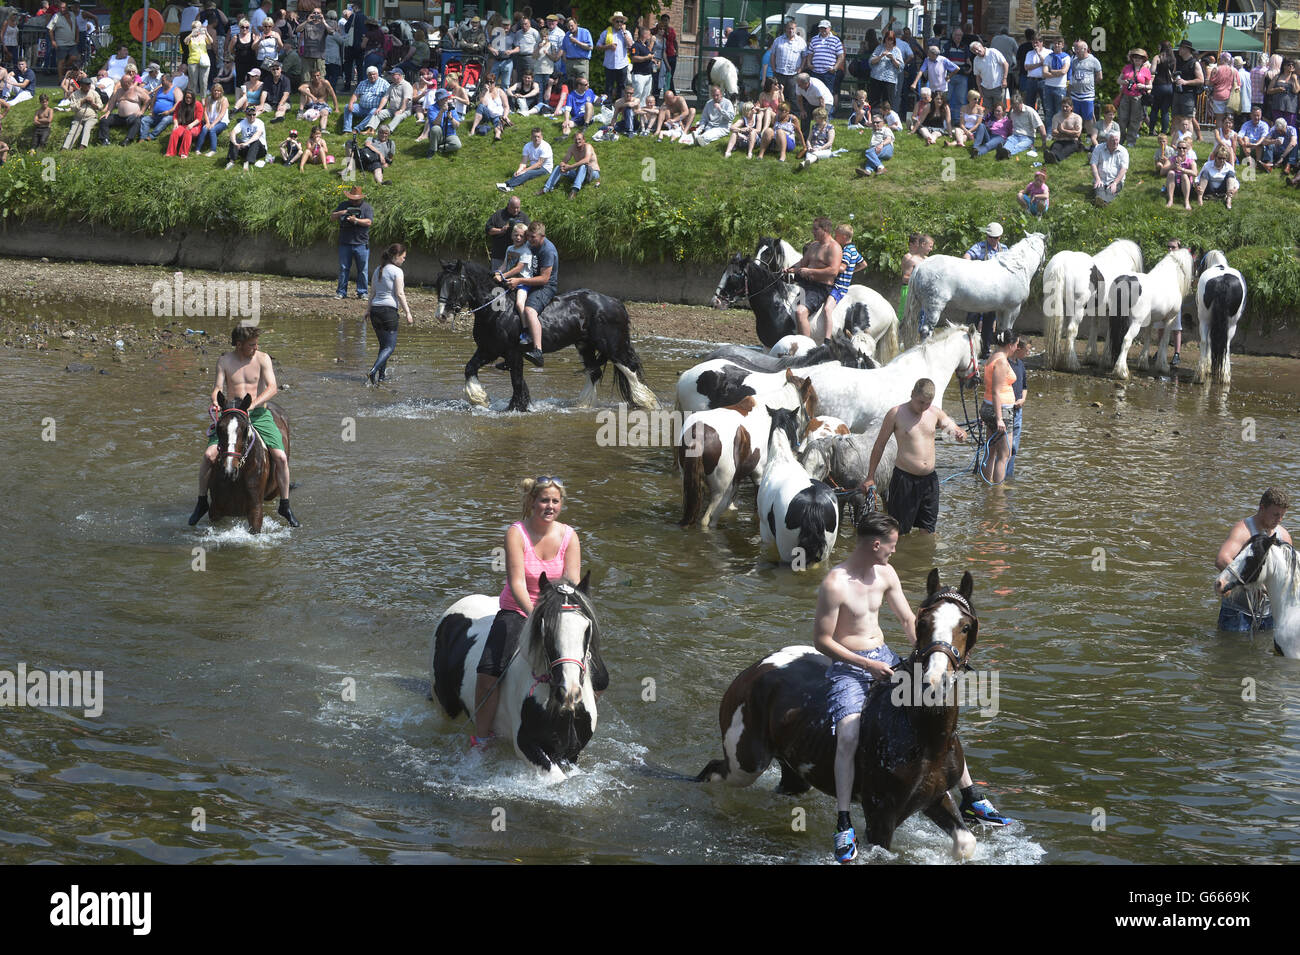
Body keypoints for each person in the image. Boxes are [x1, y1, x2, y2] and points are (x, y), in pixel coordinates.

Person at [814, 510, 1009, 863]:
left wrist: (926, 654)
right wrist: (867, 665)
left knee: (939, 713)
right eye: (891, 545)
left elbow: (908, 619)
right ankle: (844, 821)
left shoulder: (885, 573)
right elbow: (822, 641)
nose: (893, 552)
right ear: (875, 544)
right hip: (850, 666)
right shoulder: (835, 583)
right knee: (847, 731)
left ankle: (971, 796)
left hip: (887, 658)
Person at [471, 476, 582, 748]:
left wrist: (561, 616)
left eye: (555, 501)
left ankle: (578, 728)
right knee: (488, 675)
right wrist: (536, 616)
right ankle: (480, 739)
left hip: (558, 613)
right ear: (532, 502)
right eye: (544, 500)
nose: (550, 506)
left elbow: (573, 583)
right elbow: (517, 582)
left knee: (599, 676)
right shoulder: (516, 532)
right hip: (519, 611)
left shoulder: (569, 535)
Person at [188, 323, 298, 528]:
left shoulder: (263, 359)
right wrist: (214, 400)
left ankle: (285, 504)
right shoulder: (224, 361)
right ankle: (202, 501)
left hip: (258, 414)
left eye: (256, 344)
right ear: (239, 344)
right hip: (231, 414)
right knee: (209, 456)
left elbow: (273, 388)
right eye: (251, 345)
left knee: (281, 457)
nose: (255, 348)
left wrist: (253, 405)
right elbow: (217, 388)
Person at [863, 376, 968, 534]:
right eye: (921, 402)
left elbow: (955, 431)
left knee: (928, 530)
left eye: (928, 403)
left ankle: (924, 558)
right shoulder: (896, 414)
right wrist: (870, 476)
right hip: (904, 480)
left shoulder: (935, 413)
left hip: (929, 481)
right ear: (912, 394)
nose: (924, 407)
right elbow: (879, 446)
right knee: (898, 531)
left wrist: (960, 436)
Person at [1214, 487, 1292, 632]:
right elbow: (1222, 559)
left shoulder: (1284, 536)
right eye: (1275, 514)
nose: (1279, 520)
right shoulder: (1243, 530)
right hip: (1238, 613)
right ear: (1262, 508)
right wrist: (1252, 585)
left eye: (1282, 515)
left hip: (1269, 614)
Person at [501, 221, 557, 368]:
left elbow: (544, 279)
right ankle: (511, 356)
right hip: (529, 281)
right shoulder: (530, 245)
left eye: (533, 237)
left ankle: (538, 351)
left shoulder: (547, 251)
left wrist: (519, 280)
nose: (530, 240)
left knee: (529, 310)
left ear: (542, 236)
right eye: (529, 237)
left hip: (545, 286)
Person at [364, 242, 414, 385]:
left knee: (383, 346)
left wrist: (367, 310)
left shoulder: (377, 270)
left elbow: (372, 293)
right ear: (395, 256)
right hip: (388, 313)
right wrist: (408, 313)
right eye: (403, 257)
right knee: (389, 347)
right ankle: (373, 371)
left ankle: (381, 377)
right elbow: (399, 293)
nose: (404, 259)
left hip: (375, 312)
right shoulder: (397, 271)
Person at [786, 216, 841, 338]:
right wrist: (790, 269)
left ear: (825, 229)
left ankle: (806, 346)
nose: (813, 232)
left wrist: (810, 271)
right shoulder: (813, 245)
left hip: (821, 287)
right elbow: (802, 263)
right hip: (806, 284)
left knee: (800, 312)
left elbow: (833, 271)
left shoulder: (834, 247)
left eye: (816, 229)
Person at [980, 330, 1017, 483]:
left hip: (989, 407)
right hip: (1000, 411)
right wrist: (1000, 419)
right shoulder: (1002, 361)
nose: (1016, 347)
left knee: (991, 452)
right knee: (1004, 455)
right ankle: (998, 493)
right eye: (1016, 344)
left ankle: (987, 488)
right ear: (1010, 345)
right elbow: (996, 391)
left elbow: (987, 385)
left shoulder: (992, 357)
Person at [331, 185, 373, 299]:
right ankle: (341, 292)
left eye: (356, 200)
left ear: (360, 198)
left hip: (361, 243)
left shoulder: (366, 207)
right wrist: (342, 213)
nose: (353, 202)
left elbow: (369, 222)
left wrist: (356, 220)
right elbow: (332, 217)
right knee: (344, 268)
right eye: (352, 199)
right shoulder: (343, 205)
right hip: (345, 243)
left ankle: (363, 292)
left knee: (363, 270)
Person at [541, 128, 600, 198]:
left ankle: (574, 190)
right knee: (558, 167)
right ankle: (546, 189)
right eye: (575, 139)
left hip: (593, 173)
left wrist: (570, 167)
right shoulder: (572, 148)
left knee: (583, 166)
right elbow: (565, 160)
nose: (577, 141)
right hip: (579, 173)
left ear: (584, 140)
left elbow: (586, 160)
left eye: (579, 139)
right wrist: (562, 165)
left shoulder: (588, 146)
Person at [1068, 39, 1103, 147]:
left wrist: (1090, 84)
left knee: (1088, 117)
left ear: (1085, 49)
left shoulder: (1093, 61)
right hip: (1075, 94)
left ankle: (1090, 137)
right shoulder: (1074, 61)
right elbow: (1072, 74)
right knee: (1076, 117)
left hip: (1087, 95)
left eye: (1077, 49)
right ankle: (1076, 138)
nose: (1076, 51)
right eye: (1075, 49)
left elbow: (1099, 76)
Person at [498, 125, 553, 191]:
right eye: (534, 137)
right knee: (519, 172)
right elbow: (524, 162)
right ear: (531, 137)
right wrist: (519, 170)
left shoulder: (545, 146)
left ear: (542, 137)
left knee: (527, 173)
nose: (536, 139)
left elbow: (539, 164)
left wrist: (525, 170)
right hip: (534, 166)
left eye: (538, 137)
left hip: (545, 168)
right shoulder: (527, 146)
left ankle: (510, 186)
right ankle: (506, 184)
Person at [899, 232, 933, 334]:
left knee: (921, 316)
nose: (931, 249)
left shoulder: (928, 260)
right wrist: (920, 281)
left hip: (923, 293)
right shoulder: (911, 259)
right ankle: (900, 334)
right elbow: (905, 278)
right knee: (905, 315)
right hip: (909, 290)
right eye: (930, 246)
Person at [485, 194, 530, 271]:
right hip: (499, 255)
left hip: (517, 257)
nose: (516, 210)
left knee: (512, 279)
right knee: (496, 278)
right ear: (508, 205)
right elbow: (488, 230)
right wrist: (501, 230)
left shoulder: (524, 217)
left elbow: (529, 234)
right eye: (513, 208)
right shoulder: (499, 214)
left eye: (517, 208)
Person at [1117, 48, 1151, 147]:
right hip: (1126, 96)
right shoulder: (1127, 68)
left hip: (1138, 97)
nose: (1137, 59)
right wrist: (1125, 82)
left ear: (1143, 60)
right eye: (1135, 57)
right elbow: (1118, 80)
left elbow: (1150, 86)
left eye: (1140, 58)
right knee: (1122, 118)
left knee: (1135, 120)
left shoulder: (1146, 71)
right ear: (1132, 58)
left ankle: (1131, 141)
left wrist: (1143, 86)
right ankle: (1121, 139)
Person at [1005, 336, 1028, 479]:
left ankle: (1008, 475)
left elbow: (1024, 386)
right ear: (1018, 349)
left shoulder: (1021, 365)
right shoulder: (1005, 364)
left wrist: (1023, 399)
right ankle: (998, 476)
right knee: (1004, 446)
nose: (1028, 354)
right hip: (1007, 408)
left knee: (1014, 447)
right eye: (1026, 350)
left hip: (1018, 410)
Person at [1172, 40, 1204, 143]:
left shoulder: (1194, 63)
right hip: (1178, 93)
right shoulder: (1178, 61)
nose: (1179, 50)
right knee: (1176, 117)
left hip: (1189, 94)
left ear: (1186, 49)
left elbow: (1201, 80)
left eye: (1181, 48)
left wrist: (1186, 82)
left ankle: (1188, 142)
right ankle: (1176, 141)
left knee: (1188, 119)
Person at [1090, 131, 1128, 206]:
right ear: (1107, 140)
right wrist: (1097, 179)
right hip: (1101, 179)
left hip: (1115, 180)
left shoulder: (1123, 151)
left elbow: (1124, 169)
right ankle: (1104, 202)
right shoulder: (1098, 148)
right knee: (1099, 188)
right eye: (1112, 140)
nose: (1115, 142)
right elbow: (1093, 164)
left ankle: (1101, 202)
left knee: (1111, 190)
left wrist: (1115, 183)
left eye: (1116, 140)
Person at [61, 76, 100, 150]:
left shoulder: (94, 93)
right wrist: (81, 102)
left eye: (89, 84)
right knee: (73, 131)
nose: (89, 86)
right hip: (78, 118)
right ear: (82, 85)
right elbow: (73, 108)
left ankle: (83, 146)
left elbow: (100, 107)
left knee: (87, 128)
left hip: (91, 117)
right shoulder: (75, 94)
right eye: (87, 84)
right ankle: (65, 147)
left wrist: (92, 103)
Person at [1040, 37, 1070, 131]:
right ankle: (1049, 131)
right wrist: (1057, 73)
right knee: (1049, 111)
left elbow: (1064, 71)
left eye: (1059, 43)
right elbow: (1044, 73)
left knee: (1059, 110)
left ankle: (1059, 130)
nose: (1056, 45)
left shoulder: (1066, 57)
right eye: (1055, 43)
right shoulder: (1049, 57)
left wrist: (1051, 71)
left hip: (1060, 87)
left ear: (1062, 45)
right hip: (1048, 86)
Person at [1196, 144, 1239, 209]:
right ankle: (1200, 198)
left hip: (1223, 188)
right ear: (1215, 157)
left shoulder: (1229, 167)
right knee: (1205, 173)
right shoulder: (1207, 165)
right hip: (1209, 187)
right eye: (1220, 158)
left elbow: (1235, 181)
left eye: (1224, 158)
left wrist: (1235, 189)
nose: (1222, 160)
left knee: (1230, 173)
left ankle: (1229, 200)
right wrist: (1197, 186)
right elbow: (1198, 178)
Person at [164, 87, 205, 157]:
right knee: (175, 132)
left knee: (188, 131)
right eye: (186, 97)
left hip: (195, 126)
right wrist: (176, 124)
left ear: (193, 98)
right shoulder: (180, 104)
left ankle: (184, 153)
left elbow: (199, 119)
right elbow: (175, 115)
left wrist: (191, 125)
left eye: (190, 98)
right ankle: (170, 152)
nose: (188, 99)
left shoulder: (198, 104)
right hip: (183, 125)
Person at [225, 104, 267, 169]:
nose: (252, 116)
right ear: (246, 115)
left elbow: (257, 135)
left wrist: (246, 143)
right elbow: (233, 132)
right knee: (234, 138)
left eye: (254, 114)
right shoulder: (242, 123)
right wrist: (235, 143)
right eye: (249, 115)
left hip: (259, 150)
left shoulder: (260, 123)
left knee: (256, 141)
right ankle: (231, 161)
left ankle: (247, 162)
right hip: (246, 148)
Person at [970, 40, 1008, 110]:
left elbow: (1005, 64)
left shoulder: (993, 52)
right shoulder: (976, 60)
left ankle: (1001, 121)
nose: (977, 52)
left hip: (998, 86)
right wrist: (980, 90)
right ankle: (989, 121)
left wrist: (1004, 79)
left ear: (981, 46)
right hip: (985, 89)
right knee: (987, 110)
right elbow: (977, 76)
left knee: (1000, 109)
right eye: (974, 51)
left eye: (977, 49)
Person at [855, 110, 895, 176]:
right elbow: (867, 124)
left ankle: (881, 167)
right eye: (874, 123)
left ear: (883, 122)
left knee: (868, 152)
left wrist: (881, 145)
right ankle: (868, 171)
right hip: (877, 149)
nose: (875, 124)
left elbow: (889, 139)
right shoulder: (874, 130)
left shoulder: (886, 129)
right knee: (871, 157)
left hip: (886, 148)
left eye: (877, 122)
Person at [426, 88, 464, 156]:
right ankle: (432, 150)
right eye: (445, 98)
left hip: (450, 134)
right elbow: (435, 123)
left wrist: (451, 118)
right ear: (439, 100)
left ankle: (440, 148)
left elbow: (457, 126)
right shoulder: (432, 108)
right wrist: (441, 111)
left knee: (457, 145)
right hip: (438, 135)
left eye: (447, 97)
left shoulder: (451, 108)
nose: (447, 99)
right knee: (435, 128)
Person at [795, 106, 835, 171]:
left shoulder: (830, 127)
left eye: (816, 116)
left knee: (814, 155)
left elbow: (830, 142)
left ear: (822, 117)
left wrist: (819, 149)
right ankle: (806, 164)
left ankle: (805, 163)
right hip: (813, 148)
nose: (814, 118)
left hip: (825, 149)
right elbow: (808, 139)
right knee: (811, 154)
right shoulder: (814, 126)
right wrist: (809, 147)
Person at [1166, 140, 1197, 210]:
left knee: (1184, 175)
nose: (1181, 149)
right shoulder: (1171, 159)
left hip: (1187, 186)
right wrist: (1173, 166)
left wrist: (1182, 169)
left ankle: (1186, 201)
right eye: (1179, 148)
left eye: (1184, 148)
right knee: (1171, 172)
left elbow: (1195, 173)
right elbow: (1162, 171)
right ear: (1177, 148)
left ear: (1187, 149)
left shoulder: (1191, 161)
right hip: (1174, 186)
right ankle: (1170, 200)